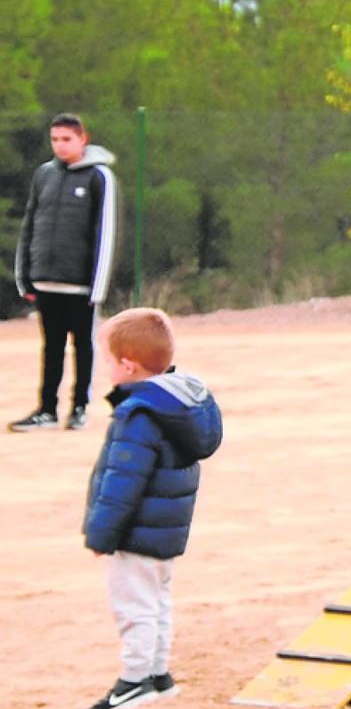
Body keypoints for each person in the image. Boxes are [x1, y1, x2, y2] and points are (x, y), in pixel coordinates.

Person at [83, 307, 223, 708]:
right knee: (156, 602)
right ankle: (157, 674)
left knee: (134, 608)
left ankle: (134, 680)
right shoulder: (173, 405)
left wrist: (102, 533)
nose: (106, 369)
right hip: (163, 531)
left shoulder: (139, 414)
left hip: (137, 532)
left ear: (128, 366)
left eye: (108, 361)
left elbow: (122, 484)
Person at [9, 113, 119, 432]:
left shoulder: (99, 177)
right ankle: (46, 410)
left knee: (82, 345)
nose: (60, 145)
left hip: (80, 286)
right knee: (51, 347)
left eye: (66, 139)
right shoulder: (44, 174)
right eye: (55, 139)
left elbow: (105, 233)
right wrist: (25, 277)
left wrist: (97, 287)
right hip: (45, 281)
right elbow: (30, 225)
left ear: (82, 139)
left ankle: (79, 408)